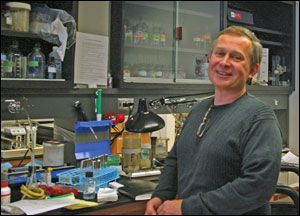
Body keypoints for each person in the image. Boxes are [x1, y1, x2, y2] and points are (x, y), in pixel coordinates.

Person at [145, 25, 282, 215]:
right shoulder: (198, 110)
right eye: (220, 53)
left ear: (253, 70)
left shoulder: (259, 117)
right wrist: (160, 195)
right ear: (210, 59)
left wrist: (187, 208)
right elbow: (175, 160)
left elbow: (258, 186)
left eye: (236, 57)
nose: (224, 62)